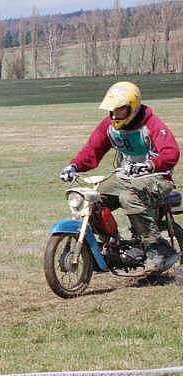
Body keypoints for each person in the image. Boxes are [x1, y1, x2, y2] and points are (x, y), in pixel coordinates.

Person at [60, 81, 181, 273]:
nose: (114, 114)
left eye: (120, 110)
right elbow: (92, 149)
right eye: (112, 110)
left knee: (129, 197)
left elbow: (171, 152)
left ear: (132, 107)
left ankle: (157, 248)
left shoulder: (152, 124)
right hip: (126, 178)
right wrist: (74, 166)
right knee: (93, 200)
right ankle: (111, 244)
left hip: (157, 178)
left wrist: (150, 164)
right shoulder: (110, 126)